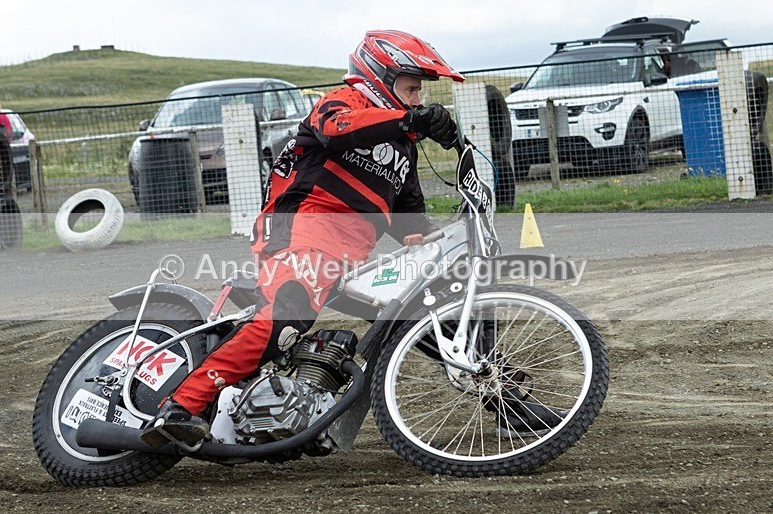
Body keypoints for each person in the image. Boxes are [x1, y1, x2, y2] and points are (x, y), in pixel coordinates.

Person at [142, 30, 562, 448]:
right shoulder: (342, 103)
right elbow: (336, 130)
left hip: (349, 257)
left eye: (419, 94)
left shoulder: (403, 153)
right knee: (290, 314)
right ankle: (179, 407)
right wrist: (409, 119)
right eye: (411, 88)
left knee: (436, 311)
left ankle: (506, 400)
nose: (417, 99)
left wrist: (446, 241)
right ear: (380, 75)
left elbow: (408, 224)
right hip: (298, 230)